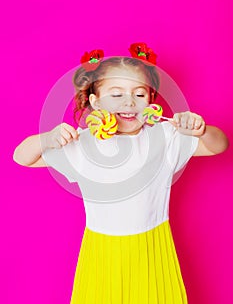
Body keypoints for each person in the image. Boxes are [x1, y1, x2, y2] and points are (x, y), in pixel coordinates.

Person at [13, 42, 229, 303]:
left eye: (139, 94)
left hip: (153, 250)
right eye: (116, 94)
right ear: (95, 101)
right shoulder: (83, 144)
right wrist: (47, 138)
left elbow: (218, 145)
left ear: (151, 100)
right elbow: (22, 157)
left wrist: (201, 129)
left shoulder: (165, 136)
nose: (129, 102)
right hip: (102, 253)